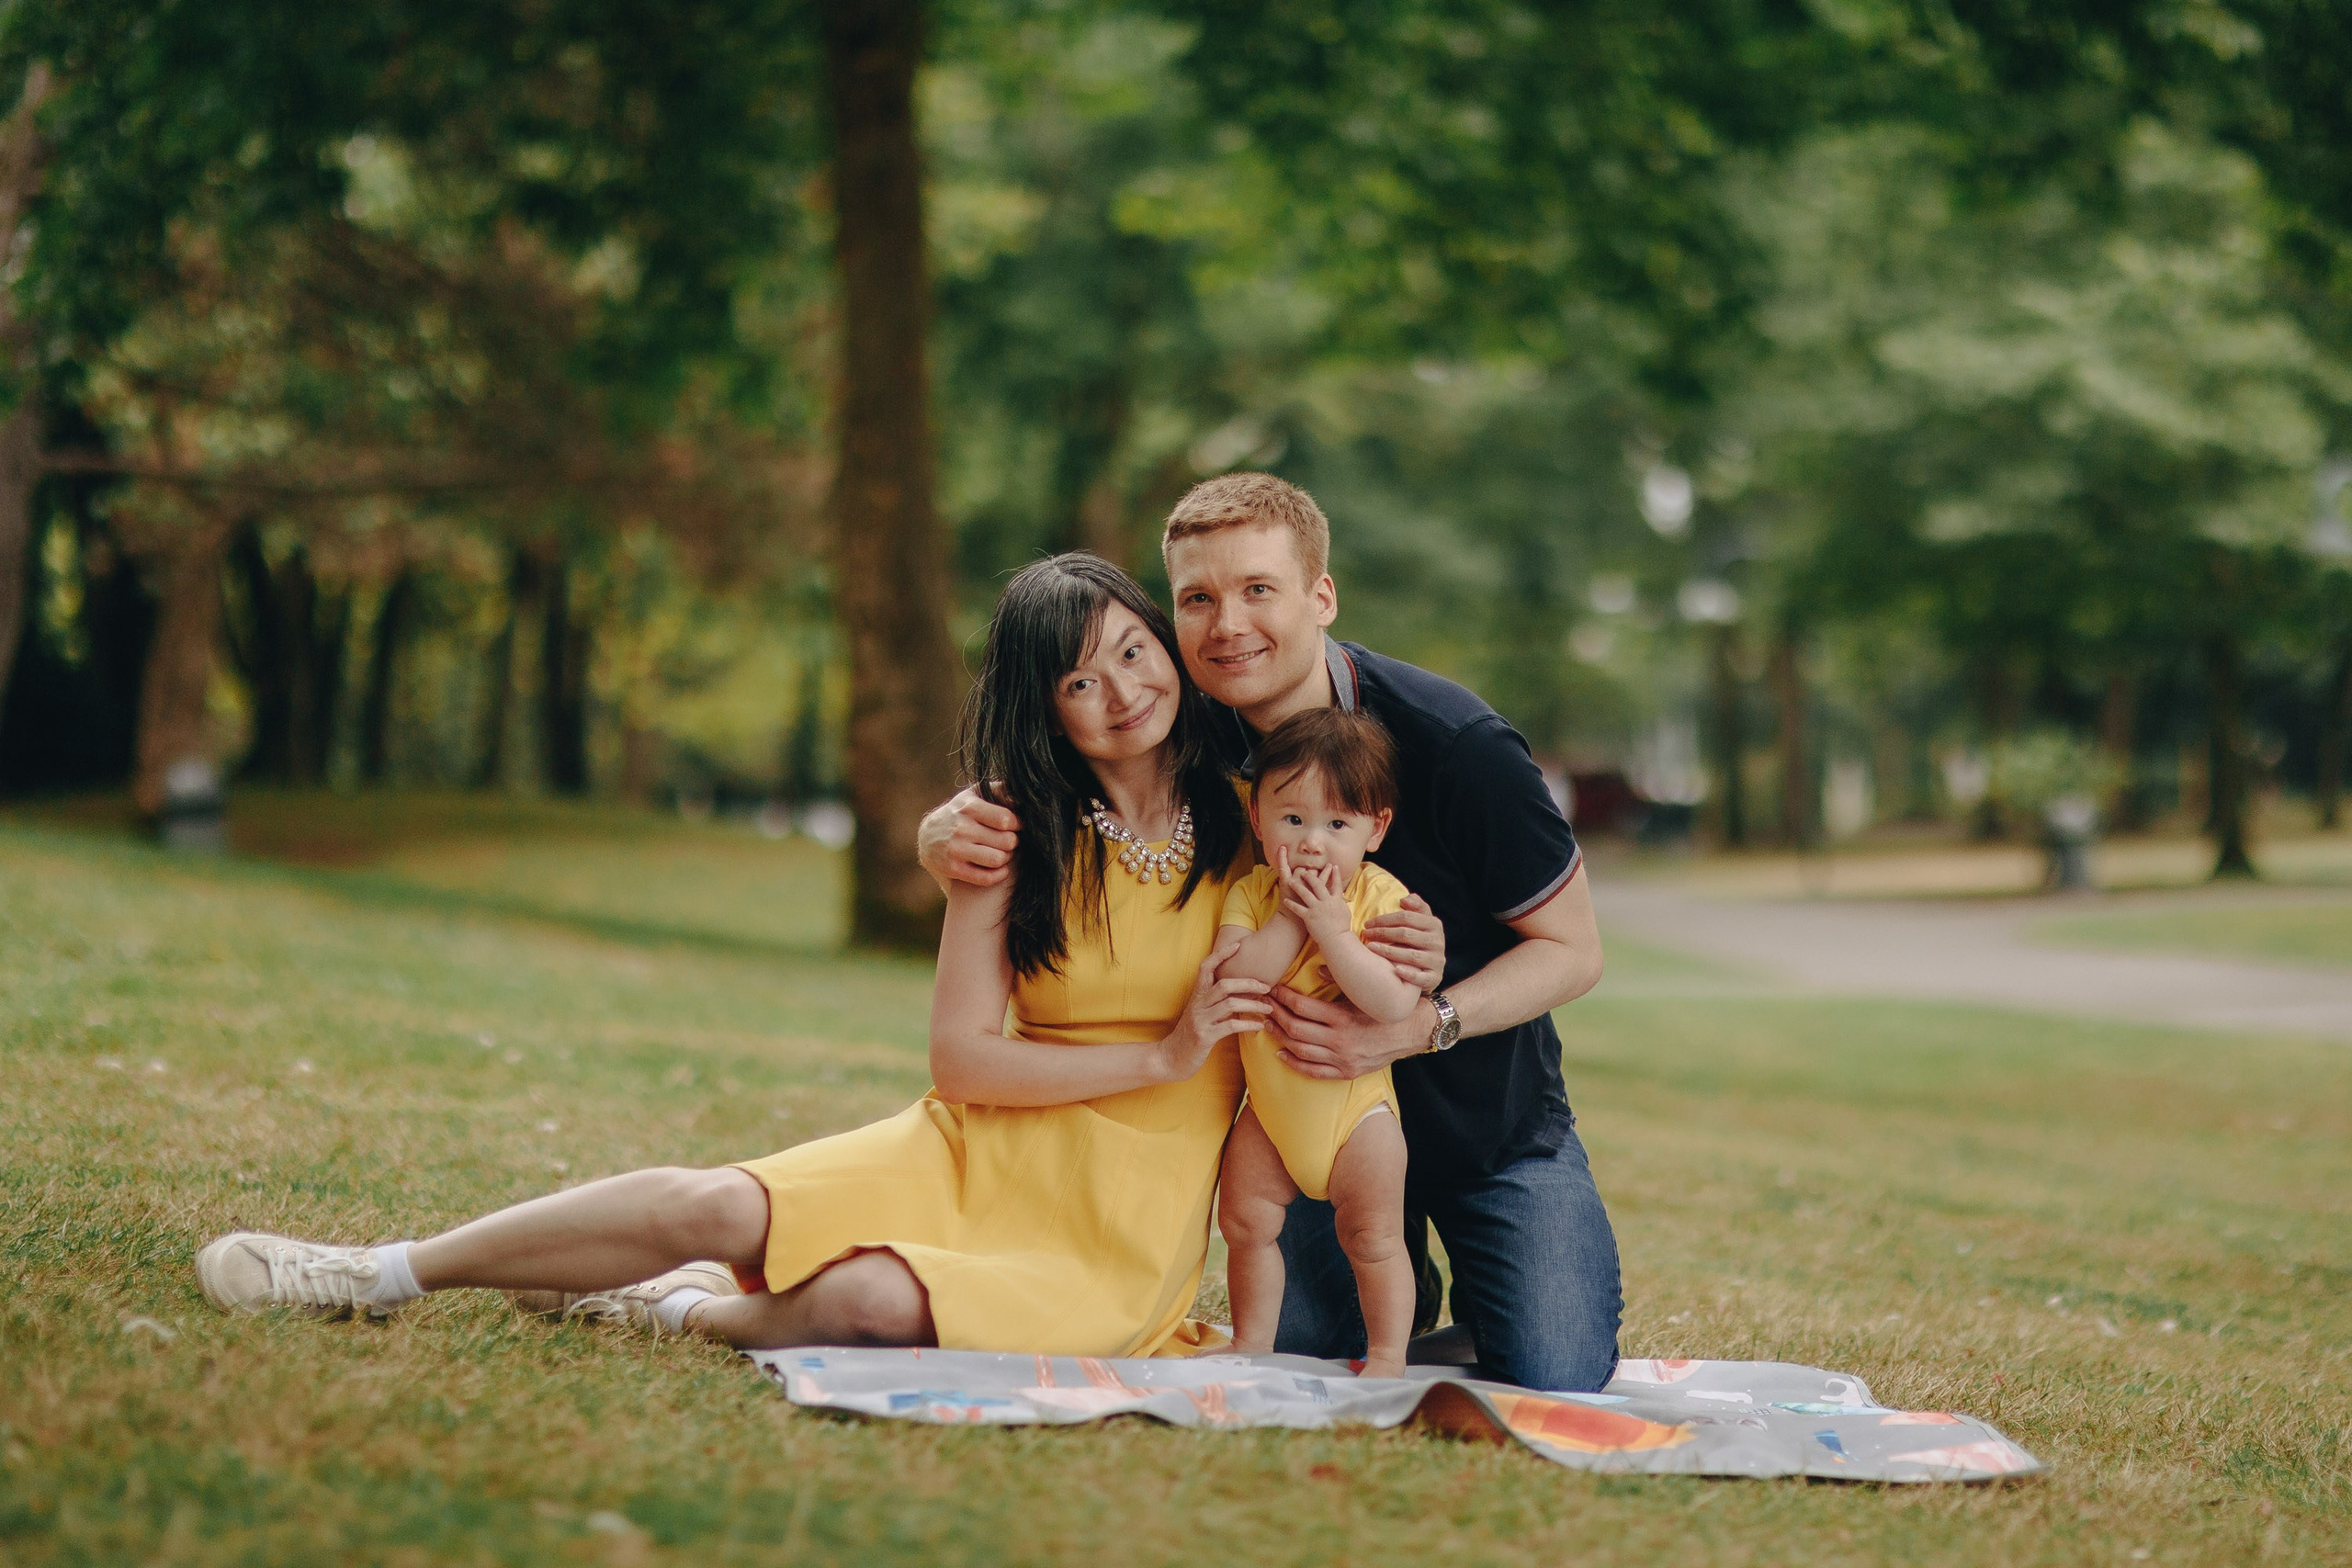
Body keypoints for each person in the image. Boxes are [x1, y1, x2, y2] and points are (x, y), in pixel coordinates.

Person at [194, 554, 1404, 1360]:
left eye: (1135, 651)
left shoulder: (1262, 811)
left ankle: (682, 1308)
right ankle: (376, 1269)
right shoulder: (1005, 827)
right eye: (1078, 678)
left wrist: (1422, 946)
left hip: (1120, 1219)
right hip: (984, 1136)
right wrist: (1161, 1049)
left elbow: (1366, 874)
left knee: (874, 1300)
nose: (1121, 690)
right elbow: (963, 1058)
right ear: (1046, 708)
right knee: (712, 1197)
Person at [920, 472, 1623, 1393]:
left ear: (1320, 596)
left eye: (1258, 590)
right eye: (1196, 600)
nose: (1227, 626)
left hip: (1482, 1117)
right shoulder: (1178, 727)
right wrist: (948, 829)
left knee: (1555, 1368)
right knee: (1301, 1350)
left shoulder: (1455, 744)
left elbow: (1574, 950)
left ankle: (1475, 1305)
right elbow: (1054, 756)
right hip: (1297, 1121)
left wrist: (1419, 1021)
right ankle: (1395, 1306)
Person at [1215, 706, 1418, 1378]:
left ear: (1376, 829)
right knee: (1244, 1221)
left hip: (1356, 1115)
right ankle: (1252, 1343)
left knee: (1375, 1237)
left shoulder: (1380, 897)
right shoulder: (1251, 895)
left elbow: (1392, 1004)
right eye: (1292, 819)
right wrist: (1293, 922)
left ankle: (1388, 1354)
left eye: (1337, 824)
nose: (1311, 842)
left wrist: (1334, 932)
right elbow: (1236, 981)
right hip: (1270, 1114)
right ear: (1258, 819)